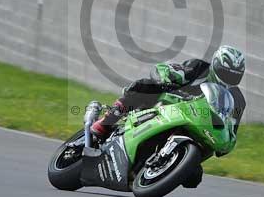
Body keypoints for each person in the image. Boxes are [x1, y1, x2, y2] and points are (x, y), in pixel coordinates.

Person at [90, 45, 246, 140]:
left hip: (196, 126)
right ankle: (105, 122)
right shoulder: (198, 67)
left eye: (234, 75)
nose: (229, 78)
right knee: (145, 86)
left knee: (193, 178)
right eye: (225, 72)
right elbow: (166, 69)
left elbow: (230, 132)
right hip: (168, 105)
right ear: (215, 65)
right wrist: (168, 78)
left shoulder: (237, 100)